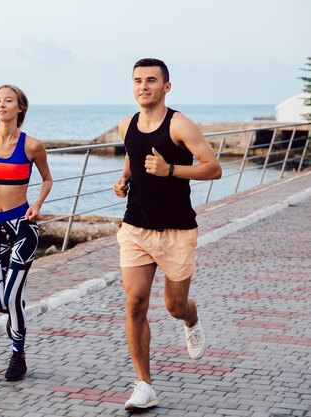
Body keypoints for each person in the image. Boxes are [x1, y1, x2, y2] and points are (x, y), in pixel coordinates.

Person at [113, 58, 222, 409]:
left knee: (174, 306)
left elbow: (214, 168)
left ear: (166, 87)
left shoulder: (180, 125)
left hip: (177, 230)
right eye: (138, 80)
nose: (143, 86)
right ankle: (144, 385)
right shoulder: (125, 125)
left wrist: (170, 168)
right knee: (135, 303)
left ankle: (191, 318)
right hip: (135, 228)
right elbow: (132, 155)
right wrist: (125, 178)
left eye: (151, 80)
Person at [0, 84, 53, 381]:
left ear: (20, 109)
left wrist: (39, 204)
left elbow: (46, 180)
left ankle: (18, 355)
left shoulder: (32, 146)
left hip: (22, 226)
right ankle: (16, 314)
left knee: (14, 295)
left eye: (9, 101)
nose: (2, 105)